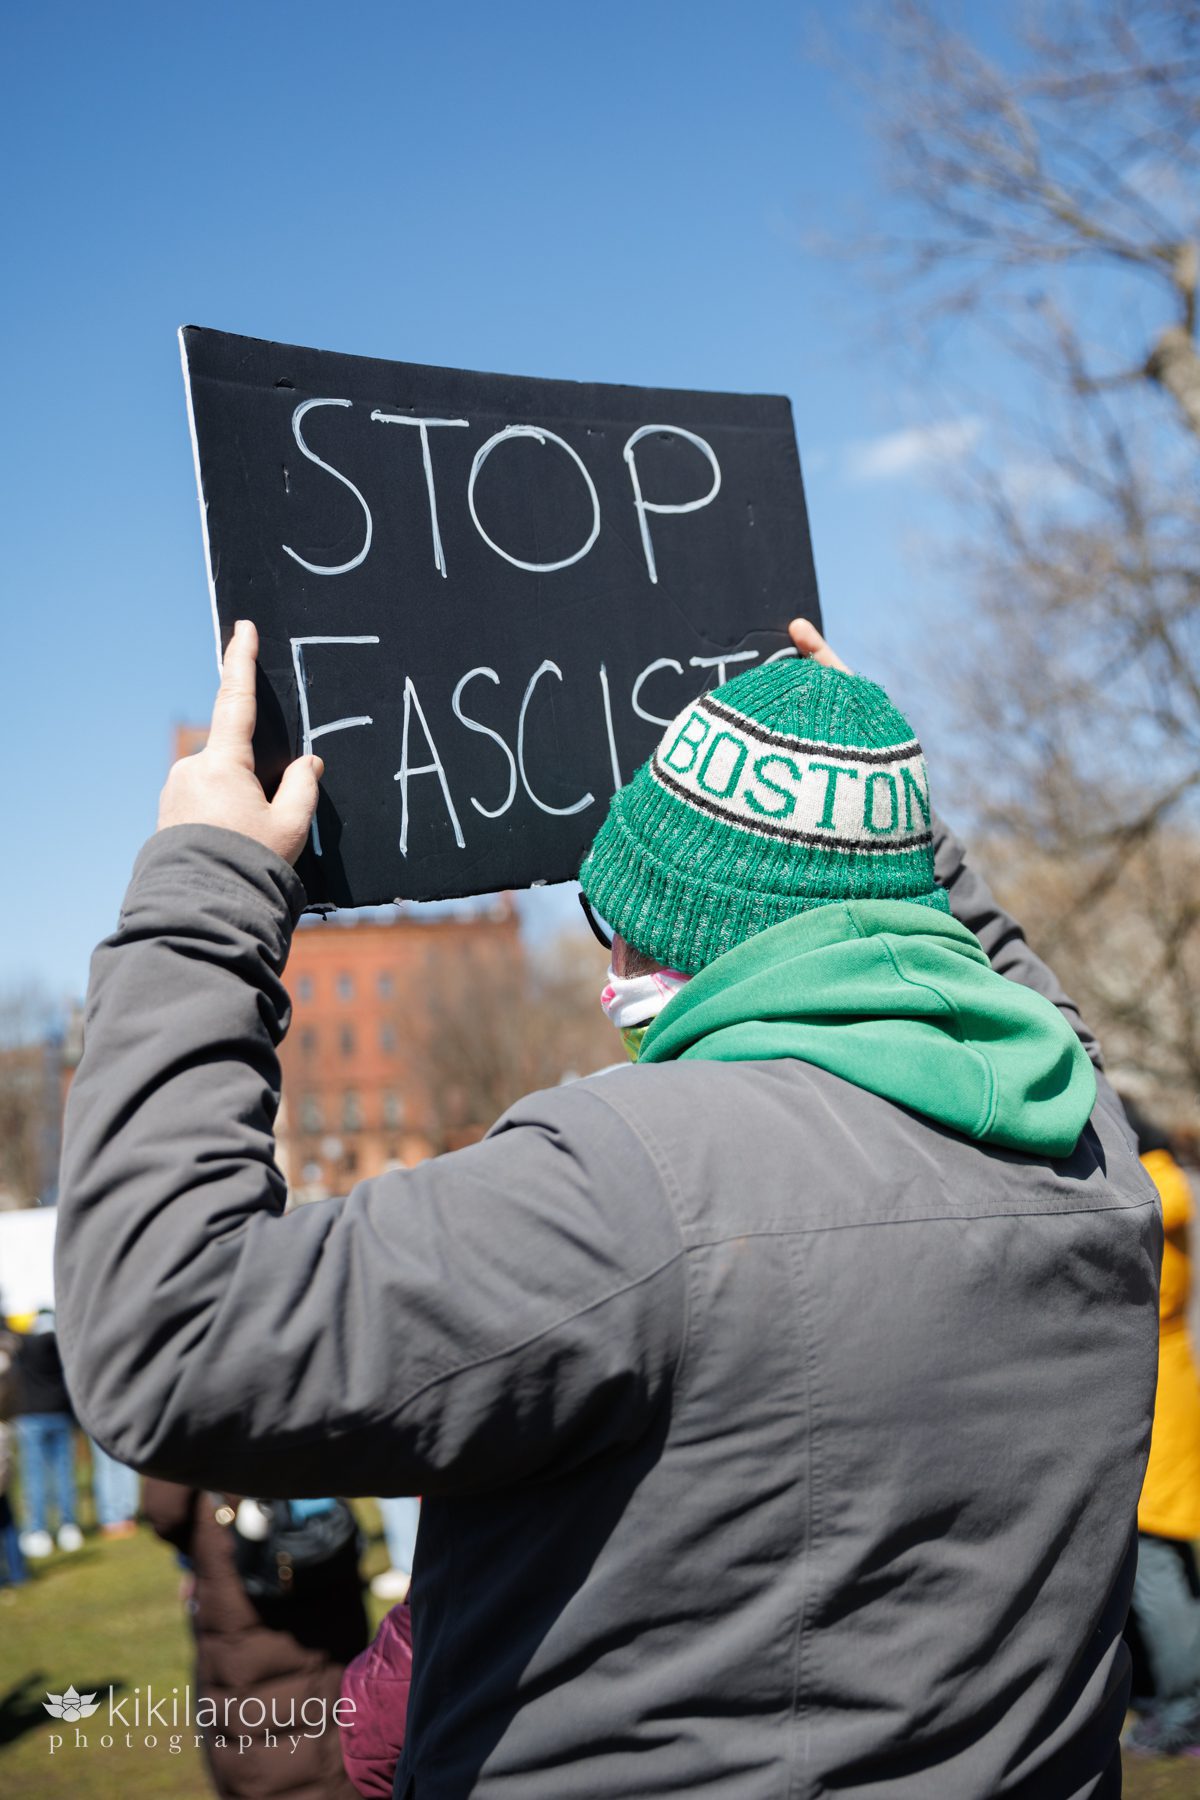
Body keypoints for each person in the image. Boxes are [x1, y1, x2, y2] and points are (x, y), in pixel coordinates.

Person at [56, 617, 1160, 1798]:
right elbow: (1027, 1004)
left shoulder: (631, 1180)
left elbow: (169, 1338)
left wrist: (205, 887)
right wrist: (884, 820)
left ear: (665, 937)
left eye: (608, 910)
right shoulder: (1089, 1152)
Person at [143, 1479, 367, 1799]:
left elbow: (164, 1508)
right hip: (321, 1552)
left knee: (258, 1728)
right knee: (335, 1716)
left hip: (239, 1574)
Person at [1119, 1098, 1200, 1755]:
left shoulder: (1152, 1189)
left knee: (1155, 1563)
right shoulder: (1164, 1183)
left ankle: (1184, 1708)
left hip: (1157, 1393)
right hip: (1162, 1386)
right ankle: (1170, 1699)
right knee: (1160, 1557)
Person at [12, 1313, 82, 1557]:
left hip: (33, 1418)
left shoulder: (26, 1345)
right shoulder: (62, 1344)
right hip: (60, 1415)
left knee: (35, 1478)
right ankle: (69, 1526)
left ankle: (38, 1531)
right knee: (64, 1474)